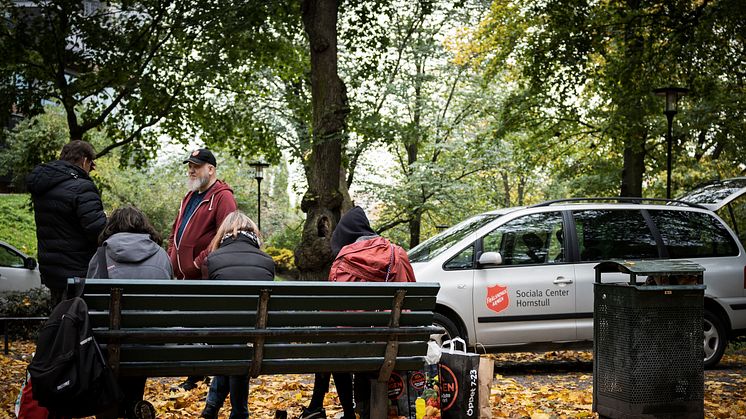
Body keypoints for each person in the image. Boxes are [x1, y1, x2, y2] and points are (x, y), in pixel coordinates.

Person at [299, 206, 415, 419]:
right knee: (339, 343)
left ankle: (347, 413)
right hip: (395, 344)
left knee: (335, 344)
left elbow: (332, 313)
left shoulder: (344, 259)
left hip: (353, 347)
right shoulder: (397, 253)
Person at [87, 205, 172, 419]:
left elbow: (90, 303)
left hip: (109, 344)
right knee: (140, 342)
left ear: (112, 227)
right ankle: (133, 405)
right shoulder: (161, 255)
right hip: (150, 343)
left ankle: (112, 409)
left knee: (112, 346)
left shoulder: (101, 255)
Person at [167, 148, 237, 390]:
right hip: (183, 277)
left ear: (211, 169)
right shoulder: (190, 196)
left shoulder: (222, 196)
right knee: (189, 326)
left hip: (204, 277)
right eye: (190, 165)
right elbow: (175, 231)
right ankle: (195, 374)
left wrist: (198, 263)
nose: (191, 170)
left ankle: (200, 375)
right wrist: (170, 256)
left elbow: (226, 235)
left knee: (202, 327)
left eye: (197, 166)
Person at [199, 211, 275, 419]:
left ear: (223, 233)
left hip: (221, 339)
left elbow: (205, 307)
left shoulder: (211, 259)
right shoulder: (267, 261)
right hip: (254, 338)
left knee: (231, 346)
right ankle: (224, 409)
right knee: (238, 348)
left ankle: (230, 410)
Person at [26, 140, 106, 306]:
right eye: (91, 165)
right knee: (78, 324)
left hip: (52, 271)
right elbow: (97, 230)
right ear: (84, 160)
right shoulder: (82, 187)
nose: (90, 170)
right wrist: (106, 219)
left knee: (59, 322)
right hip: (79, 271)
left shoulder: (44, 187)